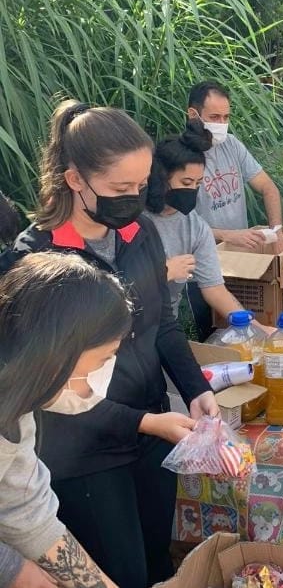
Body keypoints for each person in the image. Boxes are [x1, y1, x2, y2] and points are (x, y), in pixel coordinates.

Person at [0, 101, 219, 588]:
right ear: (75, 179)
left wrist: (196, 387)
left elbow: (163, 323)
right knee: (120, 571)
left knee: (159, 561)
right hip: (81, 452)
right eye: (121, 189)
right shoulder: (37, 262)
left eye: (142, 186)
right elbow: (41, 385)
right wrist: (148, 422)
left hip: (151, 430)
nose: (134, 199)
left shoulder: (139, 232)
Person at [0, 253, 128, 588]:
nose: (101, 373)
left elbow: (26, 513)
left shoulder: (17, 408)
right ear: (58, 350)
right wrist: (16, 571)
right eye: (102, 359)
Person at [144, 121, 268, 331]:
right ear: (160, 178)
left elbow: (215, 290)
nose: (192, 190)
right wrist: (163, 272)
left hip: (165, 325)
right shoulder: (135, 219)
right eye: (185, 183)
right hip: (127, 326)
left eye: (198, 184)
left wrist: (258, 329)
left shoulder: (195, 227)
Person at [187, 80, 283, 252]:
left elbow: (267, 187)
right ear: (193, 115)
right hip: (204, 256)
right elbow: (179, 224)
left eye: (226, 117)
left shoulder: (231, 145)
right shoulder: (181, 156)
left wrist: (277, 231)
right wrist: (227, 235)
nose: (221, 124)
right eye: (214, 117)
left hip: (240, 251)